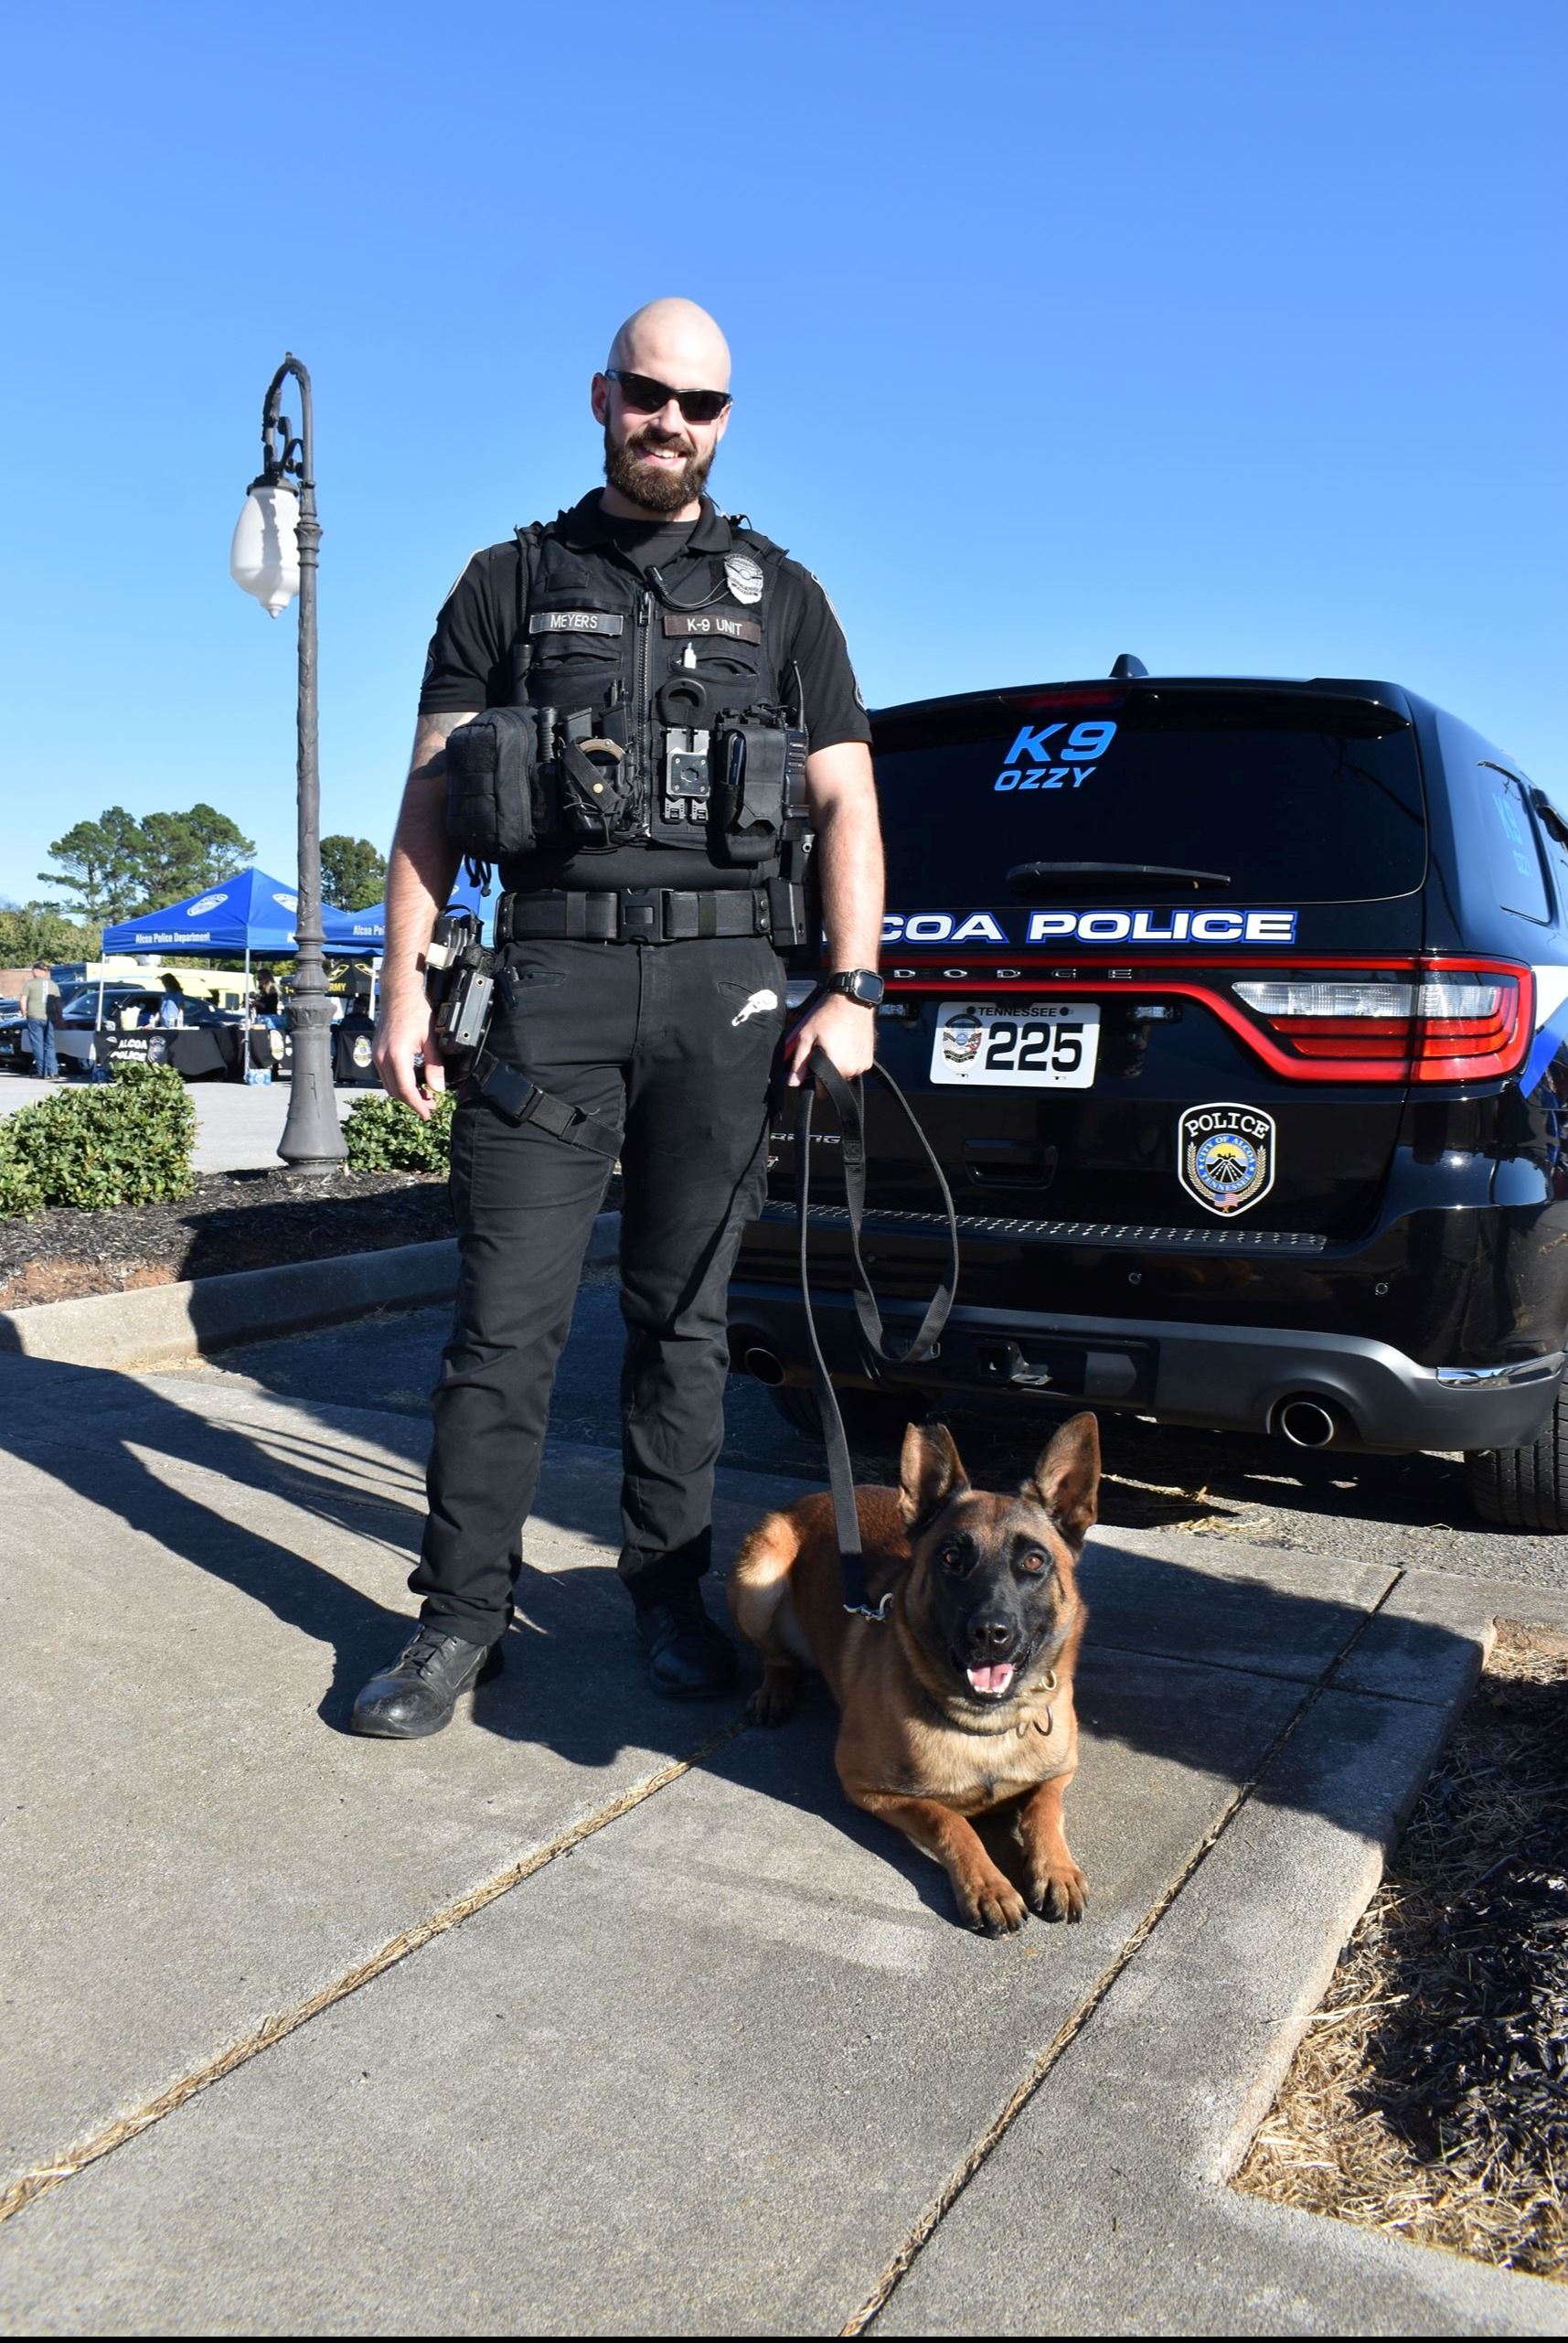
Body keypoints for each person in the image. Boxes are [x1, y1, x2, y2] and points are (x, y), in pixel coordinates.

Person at [354, 297, 886, 1738]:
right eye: (649, 394)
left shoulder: (783, 597)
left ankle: (666, 1595)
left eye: (700, 404)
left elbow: (843, 800)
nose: (672, 423)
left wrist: (849, 987)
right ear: (601, 396)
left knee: (683, 1325)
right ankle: (460, 1616)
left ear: (725, 420)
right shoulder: (507, 582)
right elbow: (425, 797)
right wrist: (398, 981)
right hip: (550, 987)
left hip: (726, 993)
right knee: (502, 1326)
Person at [22, 961, 60, 1080]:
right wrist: (60, 1016)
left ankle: (41, 1071)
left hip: (34, 1016)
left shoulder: (30, 984)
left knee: (37, 1044)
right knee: (49, 1044)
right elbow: (58, 1003)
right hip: (50, 1018)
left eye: (33, 970)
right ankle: (53, 1072)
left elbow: (23, 999)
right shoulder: (53, 985)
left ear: (37, 971)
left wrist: (24, 1013)